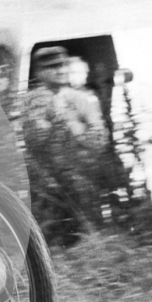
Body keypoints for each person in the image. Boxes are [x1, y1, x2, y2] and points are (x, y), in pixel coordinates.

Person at [22, 45, 116, 243]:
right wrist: (47, 120)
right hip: (46, 182)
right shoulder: (31, 102)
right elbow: (31, 143)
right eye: (53, 67)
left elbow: (100, 140)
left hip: (81, 176)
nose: (61, 70)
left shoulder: (81, 98)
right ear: (40, 72)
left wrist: (72, 125)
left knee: (87, 231)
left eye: (64, 65)